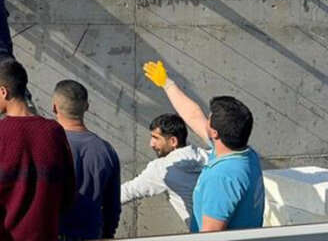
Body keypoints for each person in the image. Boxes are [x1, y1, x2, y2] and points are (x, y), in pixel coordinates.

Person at [142, 60, 265, 232]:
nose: (205, 120)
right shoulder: (243, 153)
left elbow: (210, 235)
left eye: (209, 118)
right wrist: (167, 84)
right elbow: (193, 115)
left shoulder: (222, 178)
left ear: (215, 133)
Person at [0, 59, 76, 241]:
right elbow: (68, 189)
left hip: (3, 235)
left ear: (3, 92)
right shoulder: (53, 131)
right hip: (45, 234)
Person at [52, 80, 121, 241]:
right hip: (92, 234)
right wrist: (107, 234)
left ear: (54, 107)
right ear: (87, 106)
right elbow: (112, 207)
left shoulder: (47, 146)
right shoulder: (106, 150)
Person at [121, 114, 207, 230]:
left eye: (156, 138)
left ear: (173, 141)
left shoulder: (163, 168)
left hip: (204, 233)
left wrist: (92, 201)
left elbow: (128, 191)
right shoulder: (206, 155)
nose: (151, 144)